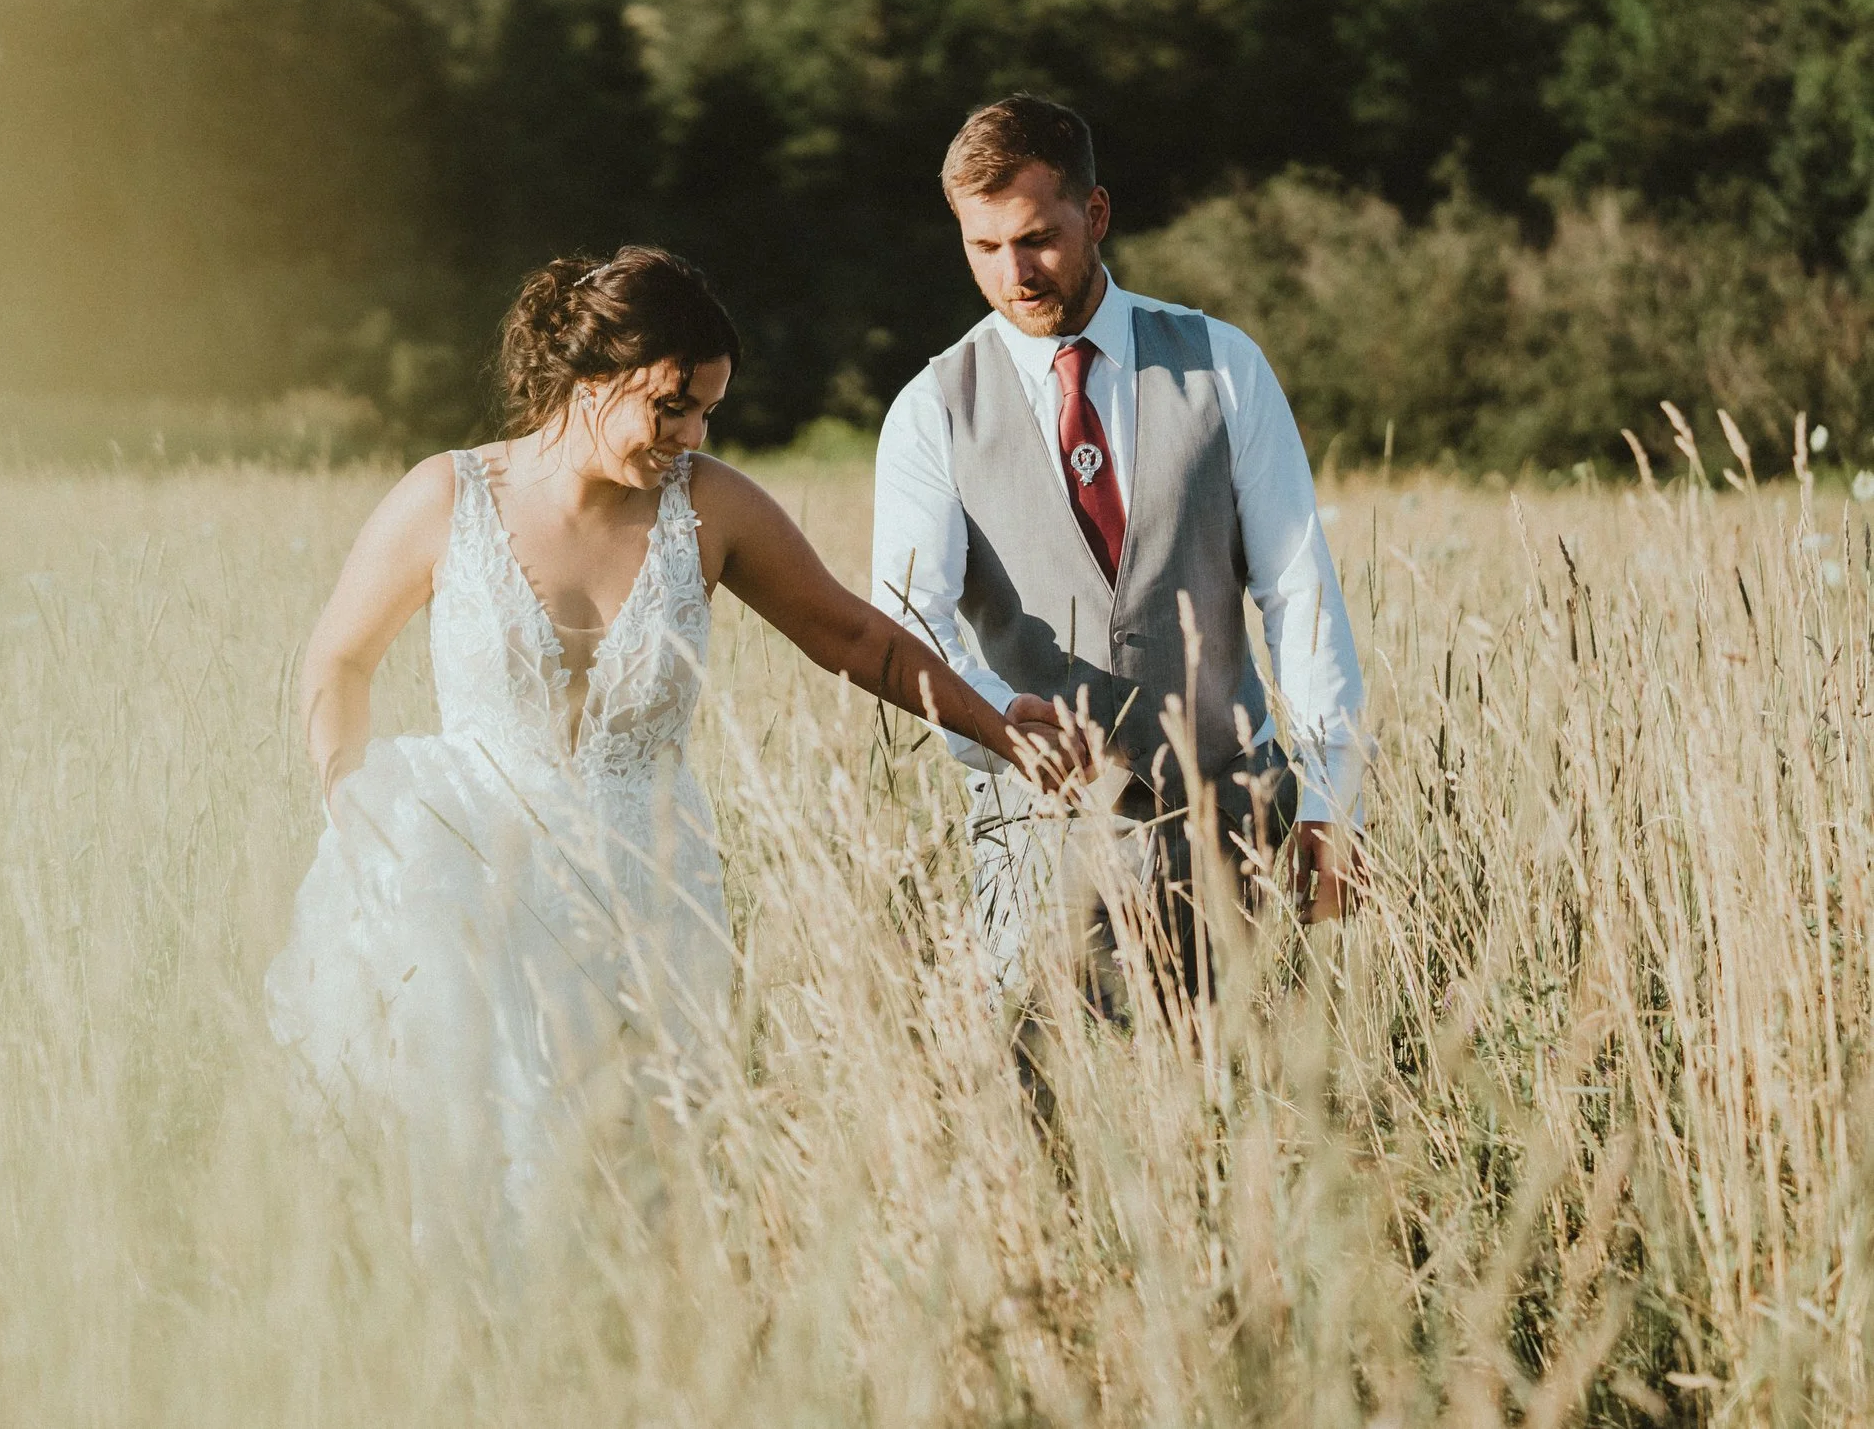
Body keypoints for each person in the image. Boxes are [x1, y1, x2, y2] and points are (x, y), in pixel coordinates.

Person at [265, 246, 1041, 1247]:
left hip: (653, 888)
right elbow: (337, 662)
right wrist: (352, 809)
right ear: (590, 379)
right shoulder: (445, 497)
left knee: (643, 1183)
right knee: (487, 1175)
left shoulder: (710, 505)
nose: (689, 436)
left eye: (707, 411)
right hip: (470, 877)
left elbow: (847, 634)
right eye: (670, 405)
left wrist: (995, 723)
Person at [871, 94, 1366, 1019]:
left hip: (1235, 825)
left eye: (1036, 238)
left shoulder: (1221, 363)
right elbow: (909, 618)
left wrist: (1330, 799)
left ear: (1095, 215)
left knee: (1243, 1124)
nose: (1013, 273)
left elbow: (1300, 588)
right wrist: (989, 718)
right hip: (1040, 847)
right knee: (1047, 1132)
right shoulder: (930, 408)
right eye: (983, 248)